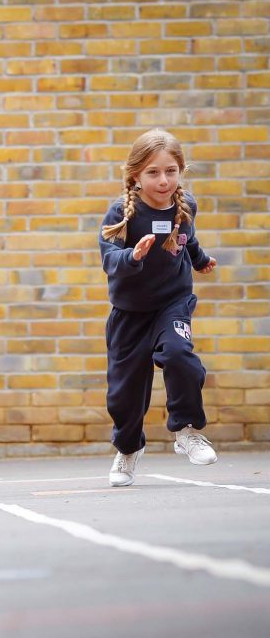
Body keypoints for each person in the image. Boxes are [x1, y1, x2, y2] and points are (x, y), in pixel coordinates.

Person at [99, 129, 218, 487]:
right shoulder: (122, 212)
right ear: (135, 174)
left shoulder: (186, 206)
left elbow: (187, 239)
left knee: (180, 354)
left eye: (171, 171)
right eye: (153, 172)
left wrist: (199, 260)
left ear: (181, 171)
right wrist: (132, 256)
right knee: (125, 394)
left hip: (172, 303)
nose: (163, 180)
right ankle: (128, 449)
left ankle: (186, 429)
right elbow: (108, 257)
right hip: (130, 312)